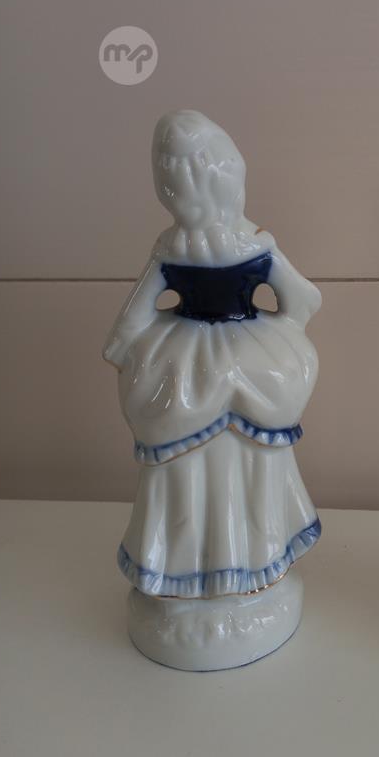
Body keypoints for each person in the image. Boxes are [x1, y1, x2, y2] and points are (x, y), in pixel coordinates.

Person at [104, 110, 322, 599]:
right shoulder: (254, 243)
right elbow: (303, 301)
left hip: (182, 364)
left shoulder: (173, 247)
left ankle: (191, 565)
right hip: (251, 359)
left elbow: (132, 322)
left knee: (191, 461)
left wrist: (127, 353)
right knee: (247, 458)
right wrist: (280, 336)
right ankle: (247, 559)